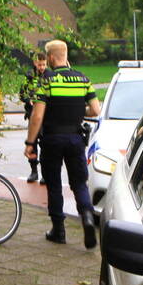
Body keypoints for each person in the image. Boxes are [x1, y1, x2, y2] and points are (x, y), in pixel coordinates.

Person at [23, 40, 101, 248]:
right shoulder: (83, 79)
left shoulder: (47, 80)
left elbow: (37, 116)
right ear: (66, 55)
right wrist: (77, 111)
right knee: (78, 183)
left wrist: (30, 143)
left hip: (52, 140)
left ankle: (59, 231)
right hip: (76, 139)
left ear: (49, 58)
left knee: (54, 185)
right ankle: (87, 216)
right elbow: (95, 110)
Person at [18, 52, 48, 183]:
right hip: (32, 114)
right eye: (39, 64)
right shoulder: (29, 77)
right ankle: (34, 171)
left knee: (45, 145)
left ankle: (45, 174)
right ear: (35, 63)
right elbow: (22, 93)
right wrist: (27, 100)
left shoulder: (49, 76)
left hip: (46, 115)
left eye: (44, 64)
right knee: (33, 143)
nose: (41, 67)